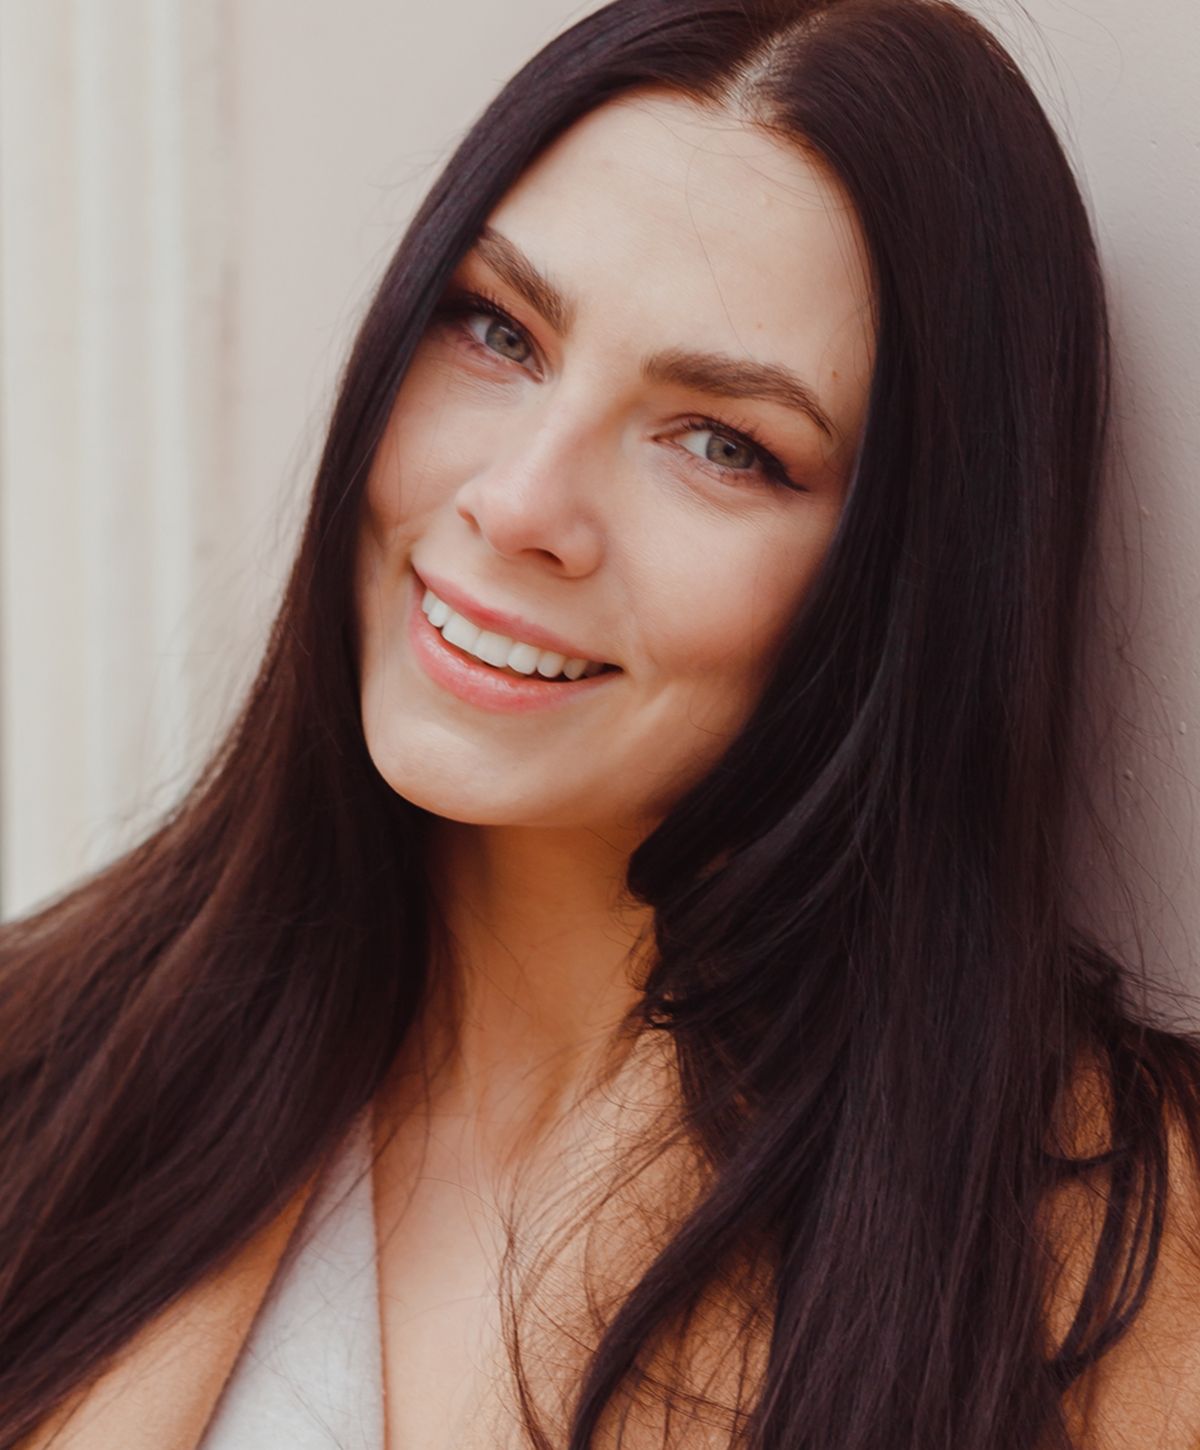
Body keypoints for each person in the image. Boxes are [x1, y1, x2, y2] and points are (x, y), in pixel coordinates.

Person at [4, 0, 1200, 1446]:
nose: (518, 504)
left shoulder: (1091, 1247)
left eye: (723, 444)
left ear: (908, 580)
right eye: (497, 329)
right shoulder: (46, 1064)